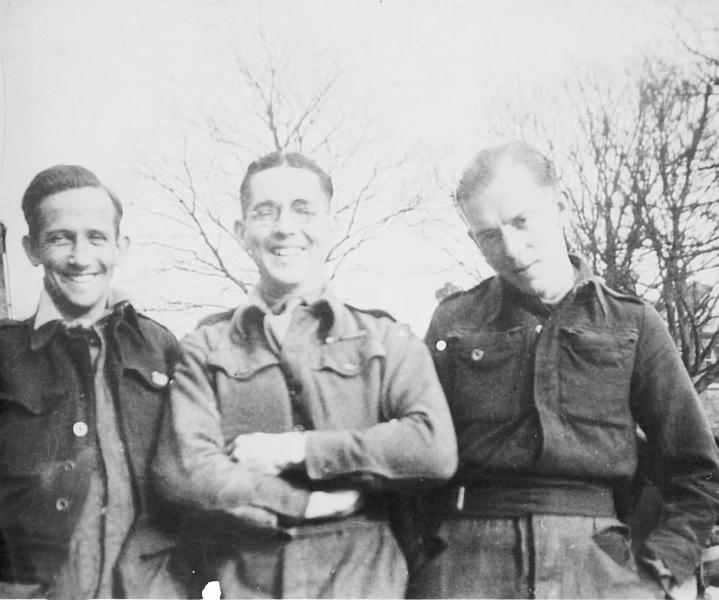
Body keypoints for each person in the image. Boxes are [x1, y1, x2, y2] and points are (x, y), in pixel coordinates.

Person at [413, 141, 719, 599]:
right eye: (489, 236)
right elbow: (418, 459)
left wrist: (659, 573)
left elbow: (697, 471)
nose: (511, 250)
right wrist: (426, 559)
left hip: (598, 563)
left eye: (521, 222)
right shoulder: (453, 321)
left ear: (559, 206)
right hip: (467, 561)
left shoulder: (632, 322)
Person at [152, 151, 458, 598]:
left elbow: (433, 450)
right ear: (242, 233)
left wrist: (298, 449)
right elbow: (185, 469)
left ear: (330, 229)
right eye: (265, 212)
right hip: (249, 576)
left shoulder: (384, 338)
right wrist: (301, 503)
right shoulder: (207, 346)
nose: (284, 227)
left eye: (303, 210)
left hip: (365, 577)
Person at [0, 165, 181, 599]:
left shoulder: (161, 348)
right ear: (31, 249)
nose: (81, 257)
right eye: (60, 238)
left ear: (121, 247)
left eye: (97, 237)